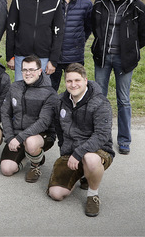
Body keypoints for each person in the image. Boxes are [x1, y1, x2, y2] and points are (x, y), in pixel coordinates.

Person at [47, 63, 115, 217]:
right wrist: (64, 150)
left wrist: (78, 154)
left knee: (89, 159)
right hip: (71, 151)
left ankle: (93, 194)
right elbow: (59, 128)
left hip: (98, 150)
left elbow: (102, 135)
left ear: (85, 80)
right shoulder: (59, 101)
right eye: (69, 81)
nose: (73, 84)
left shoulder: (100, 102)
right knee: (56, 194)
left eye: (77, 80)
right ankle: (82, 174)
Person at [90, 0, 145, 155]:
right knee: (99, 99)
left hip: (125, 60)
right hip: (103, 59)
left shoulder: (137, 6)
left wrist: (132, 49)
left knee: (123, 100)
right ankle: (102, 137)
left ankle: (124, 140)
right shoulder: (100, 4)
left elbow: (143, 34)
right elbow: (93, 27)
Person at [0, 55, 58, 183]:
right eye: (25, 70)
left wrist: (20, 138)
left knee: (31, 143)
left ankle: (35, 165)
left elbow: (43, 122)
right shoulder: (14, 87)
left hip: (41, 135)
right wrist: (10, 138)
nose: (28, 73)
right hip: (17, 134)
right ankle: (29, 156)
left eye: (32, 70)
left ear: (40, 71)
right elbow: (5, 113)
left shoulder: (50, 93)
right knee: (7, 169)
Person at [6, 0, 64, 81]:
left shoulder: (55, 1)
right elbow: (11, 28)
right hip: (21, 56)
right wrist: (10, 56)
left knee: (42, 92)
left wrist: (53, 60)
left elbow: (58, 33)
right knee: (20, 90)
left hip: (44, 57)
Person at [51, 0, 93, 91]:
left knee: (75, 89)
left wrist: (78, 41)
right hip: (54, 56)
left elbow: (88, 27)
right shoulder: (52, 1)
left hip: (75, 57)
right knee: (51, 90)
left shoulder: (86, 3)